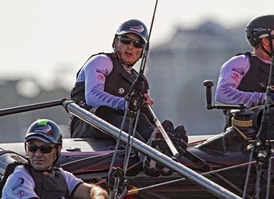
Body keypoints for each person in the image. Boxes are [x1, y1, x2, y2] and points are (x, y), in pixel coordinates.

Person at [69, 19, 188, 177]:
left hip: (124, 129)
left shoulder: (141, 81)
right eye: (126, 40)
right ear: (115, 42)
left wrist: (144, 107)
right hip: (89, 123)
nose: (131, 47)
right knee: (116, 117)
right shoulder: (101, 61)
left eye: (138, 43)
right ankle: (147, 154)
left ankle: (163, 150)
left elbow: (141, 115)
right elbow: (92, 97)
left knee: (142, 119)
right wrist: (127, 103)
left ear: (142, 51)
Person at [215, 14, 274, 146]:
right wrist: (262, 98)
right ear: (265, 41)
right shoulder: (241, 63)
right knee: (272, 113)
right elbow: (222, 94)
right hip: (244, 137)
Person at [1, 119, 108, 199]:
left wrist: (98, 197)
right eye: (32, 148)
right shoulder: (19, 177)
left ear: (57, 150)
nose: (37, 154)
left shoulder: (62, 176)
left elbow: (92, 190)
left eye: (45, 149)